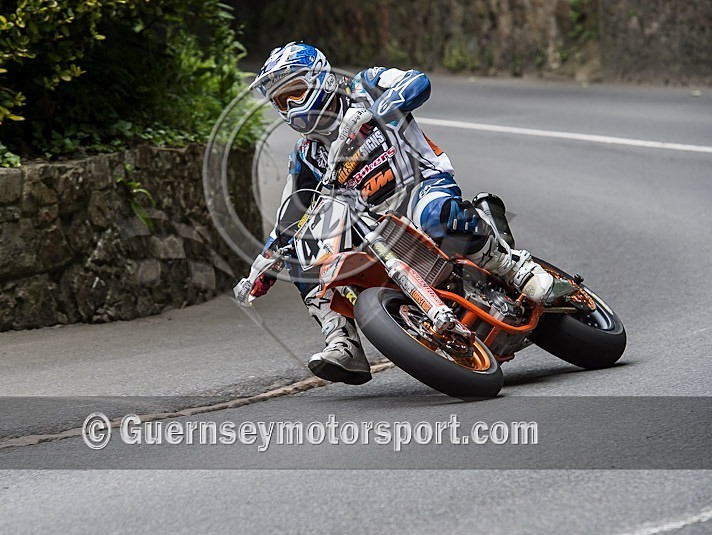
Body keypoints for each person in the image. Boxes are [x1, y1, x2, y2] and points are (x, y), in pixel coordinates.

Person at [237, 42, 570, 385]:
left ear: (319, 79)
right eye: (280, 101)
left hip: (421, 185)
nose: (290, 107)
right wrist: (263, 264)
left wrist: (380, 110)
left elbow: (417, 81)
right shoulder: (305, 154)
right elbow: (292, 211)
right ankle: (342, 341)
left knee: (432, 214)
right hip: (371, 225)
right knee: (304, 255)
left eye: (294, 93)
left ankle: (515, 268)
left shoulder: (364, 84)